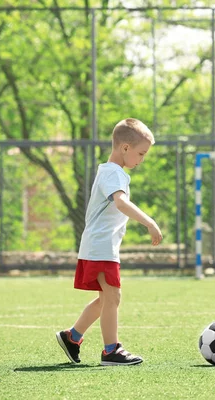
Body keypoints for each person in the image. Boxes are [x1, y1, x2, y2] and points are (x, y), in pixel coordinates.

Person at [56, 118, 163, 366]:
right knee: (113, 296)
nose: (142, 160)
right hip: (101, 246)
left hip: (100, 245)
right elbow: (121, 203)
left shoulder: (110, 172)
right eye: (141, 153)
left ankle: (72, 337)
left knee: (106, 299)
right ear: (124, 148)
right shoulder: (114, 173)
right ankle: (111, 350)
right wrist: (149, 222)